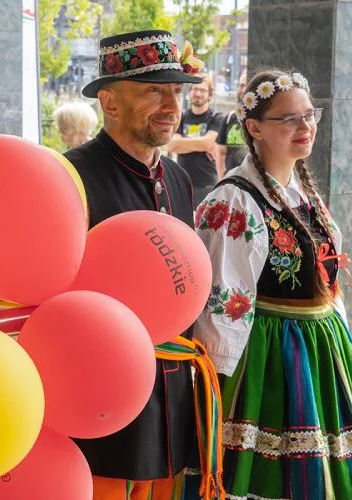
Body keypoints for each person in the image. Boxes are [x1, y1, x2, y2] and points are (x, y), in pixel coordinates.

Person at [193, 69, 352, 499]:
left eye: (309, 115)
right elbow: (224, 302)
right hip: (269, 357)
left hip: (322, 349)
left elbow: (325, 279)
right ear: (254, 128)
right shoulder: (234, 200)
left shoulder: (301, 191)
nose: (304, 127)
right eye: (289, 119)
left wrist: (338, 335)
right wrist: (218, 392)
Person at [64, 30, 223, 500]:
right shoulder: (72, 176)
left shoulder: (176, 176)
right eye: (153, 91)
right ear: (110, 103)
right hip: (103, 392)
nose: (172, 104)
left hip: (171, 391)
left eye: (176, 91)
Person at [167, 74, 224, 206]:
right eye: (194, 89)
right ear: (190, 92)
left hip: (207, 186)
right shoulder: (181, 117)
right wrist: (202, 145)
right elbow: (171, 145)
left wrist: (182, 144)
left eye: (202, 90)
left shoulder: (216, 118)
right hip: (182, 184)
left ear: (210, 95)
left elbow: (208, 143)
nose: (198, 93)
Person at [215, 69, 248, 173]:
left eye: (246, 85)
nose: (242, 89)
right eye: (241, 85)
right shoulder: (230, 117)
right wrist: (221, 179)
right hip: (231, 182)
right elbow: (220, 151)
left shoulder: (262, 120)